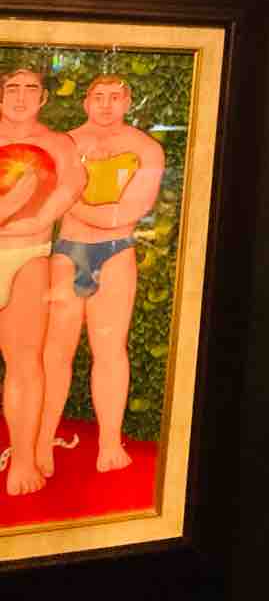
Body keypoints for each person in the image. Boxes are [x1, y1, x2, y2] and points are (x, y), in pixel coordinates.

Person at [37, 74, 164, 475]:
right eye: (98, 97)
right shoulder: (65, 144)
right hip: (69, 252)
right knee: (55, 352)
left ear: (128, 102)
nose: (106, 105)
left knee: (110, 349)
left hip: (116, 254)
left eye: (114, 97)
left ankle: (109, 443)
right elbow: (47, 199)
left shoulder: (146, 148)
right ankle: (41, 442)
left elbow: (129, 211)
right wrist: (73, 204)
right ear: (86, 102)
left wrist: (71, 201)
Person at [0, 67, 85, 496]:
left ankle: (23, 458)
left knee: (25, 360)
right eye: (11, 88)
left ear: (43, 98)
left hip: (27, 256)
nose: (20, 96)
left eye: (30, 88)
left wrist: (38, 219)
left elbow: (73, 184)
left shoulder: (57, 144)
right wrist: (13, 204)